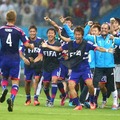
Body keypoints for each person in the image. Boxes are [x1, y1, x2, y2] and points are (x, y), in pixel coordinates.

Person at [41, 26, 113, 110]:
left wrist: (107, 50)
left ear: (82, 35)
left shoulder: (87, 44)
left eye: (79, 35)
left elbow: (97, 48)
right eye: (76, 34)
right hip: (75, 70)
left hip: (85, 69)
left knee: (90, 85)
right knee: (71, 86)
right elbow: (59, 49)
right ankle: (78, 104)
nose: (77, 36)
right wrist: (47, 46)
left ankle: (92, 100)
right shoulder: (70, 44)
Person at [0, 10, 34, 112]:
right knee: (15, 82)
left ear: (6, 18)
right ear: (15, 18)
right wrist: (31, 46)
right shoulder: (19, 31)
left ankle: (4, 89)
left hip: (3, 58)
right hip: (14, 59)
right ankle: (12, 99)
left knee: (4, 77)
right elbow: (27, 44)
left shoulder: (1, 29)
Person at [84, 22, 120, 110]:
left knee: (112, 85)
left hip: (109, 66)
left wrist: (115, 37)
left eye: (105, 28)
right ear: (100, 30)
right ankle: (93, 102)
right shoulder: (96, 38)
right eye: (102, 28)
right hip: (98, 66)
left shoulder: (112, 38)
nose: (104, 30)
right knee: (95, 84)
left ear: (109, 30)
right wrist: (88, 26)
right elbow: (84, 36)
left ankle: (115, 103)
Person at [37, 28, 66, 107]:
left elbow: (61, 50)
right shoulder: (43, 44)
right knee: (46, 84)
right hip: (46, 67)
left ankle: (52, 101)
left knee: (54, 80)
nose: (50, 35)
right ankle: (49, 98)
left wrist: (65, 56)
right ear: (47, 34)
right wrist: (33, 61)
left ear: (54, 35)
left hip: (56, 66)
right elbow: (40, 56)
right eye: (49, 33)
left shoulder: (58, 43)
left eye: (52, 33)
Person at [19, 25, 44, 106]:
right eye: (31, 31)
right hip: (28, 65)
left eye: (34, 31)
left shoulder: (41, 41)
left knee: (36, 80)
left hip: (37, 65)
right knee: (27, 82)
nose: (32, 33)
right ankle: (28, 98)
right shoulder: (25, 41)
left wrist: (35, 61)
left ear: (36, 32)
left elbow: (41, 54)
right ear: (29, 32)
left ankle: (36, 99)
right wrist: (23, 58)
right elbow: (20, 51)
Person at [110, 17, 120, 108]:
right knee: (116, 83)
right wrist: (111, 22)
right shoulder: (115, 34)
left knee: (117, 83)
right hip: (115, 61)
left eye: (116, 23)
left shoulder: (116, 36)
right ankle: (116, 102)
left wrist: (114, 38)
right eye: (114, 23)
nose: (114, 25)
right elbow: (111, 32)